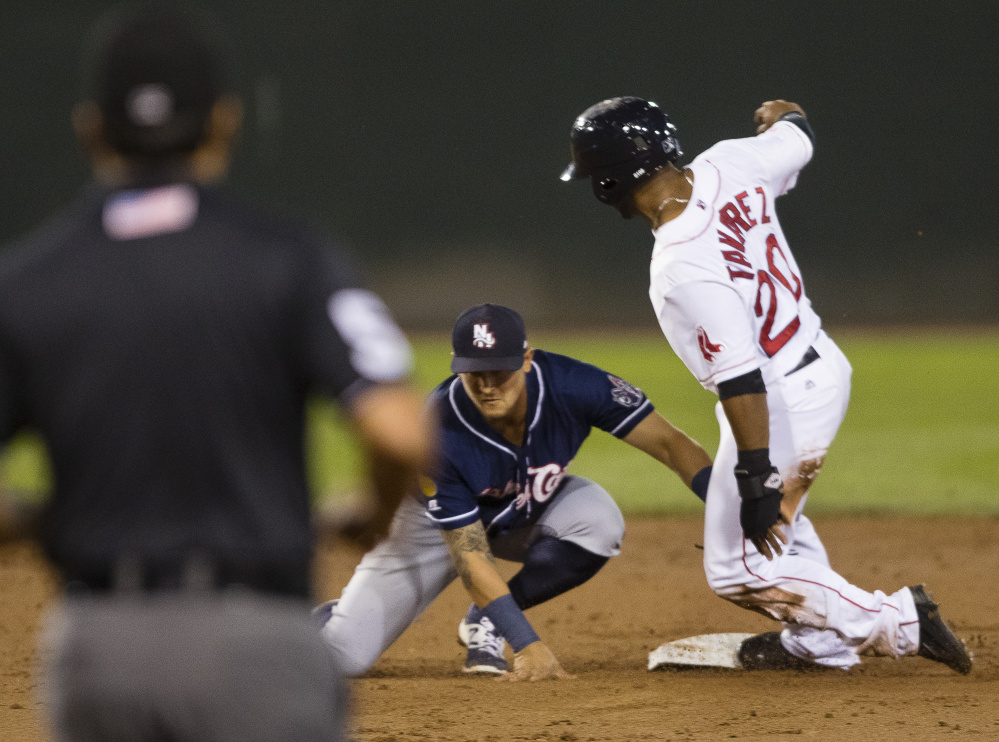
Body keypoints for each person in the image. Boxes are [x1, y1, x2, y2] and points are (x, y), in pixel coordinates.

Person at [0, 5, 435, 741]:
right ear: (224, 124)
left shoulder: (27, 281)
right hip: (253, 643)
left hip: (99, 648)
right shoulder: (289, 257)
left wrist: (35, 519)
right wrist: (369, 514)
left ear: (91, 130)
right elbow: (399, 432)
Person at [560, 96, 972, 673]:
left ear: (608, 180)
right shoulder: (732, 160)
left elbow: (740, 377)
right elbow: (797, 133)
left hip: (776, 400)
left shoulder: (679, 264)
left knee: (737, 569)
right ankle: (819, 642)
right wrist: (783, 114)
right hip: (814, 365)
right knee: (779, 528)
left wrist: (756, 477)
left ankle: (900, 621)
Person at [315, 302, 713, 680]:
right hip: (430, 527)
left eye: (499, 372)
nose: (488, 386)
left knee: (598, 522)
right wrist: (528, 644)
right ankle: (333, 619)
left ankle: (485, 618)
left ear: (526, 359)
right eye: (475, 374)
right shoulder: (437, 431)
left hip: (524, 509)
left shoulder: (576, 386)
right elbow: (470, 556)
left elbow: (670, 444)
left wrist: (731, 509)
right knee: (345, 656)